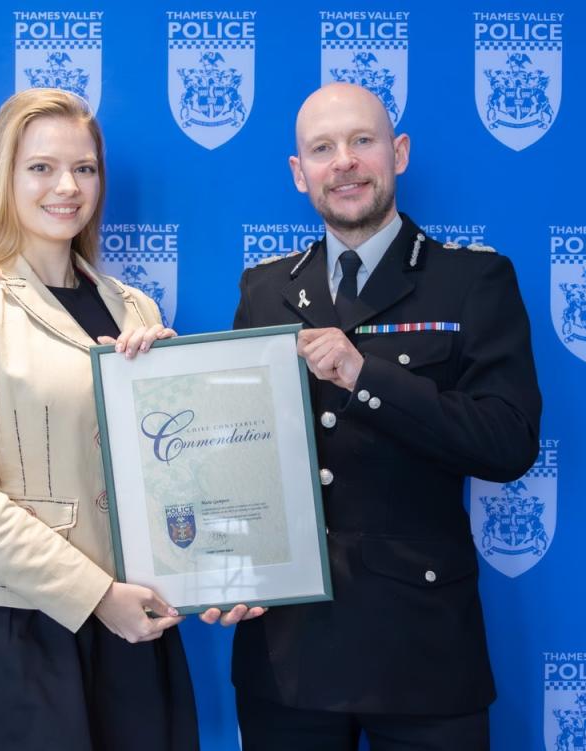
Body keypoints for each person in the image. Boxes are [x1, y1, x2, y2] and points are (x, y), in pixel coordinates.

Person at [219, 82, 542, 749]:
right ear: (298, 171)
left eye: (362, 141)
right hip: (287, 651)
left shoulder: (472, 281)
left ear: (397, 153)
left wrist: (367, 376)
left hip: (422, 650)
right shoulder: (265, 289)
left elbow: (508, 443)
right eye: (322, 148)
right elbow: (238, 457)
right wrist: (220, 566)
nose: (344, 161)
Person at [0, 88, 198, 751]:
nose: (67, 186)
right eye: (41, 167)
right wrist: (95, 595)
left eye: (85, 168)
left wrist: (179, 396)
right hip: (8, 631)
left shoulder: (136, 311)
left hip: (131, 629)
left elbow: (171, 480)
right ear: (3, 176)